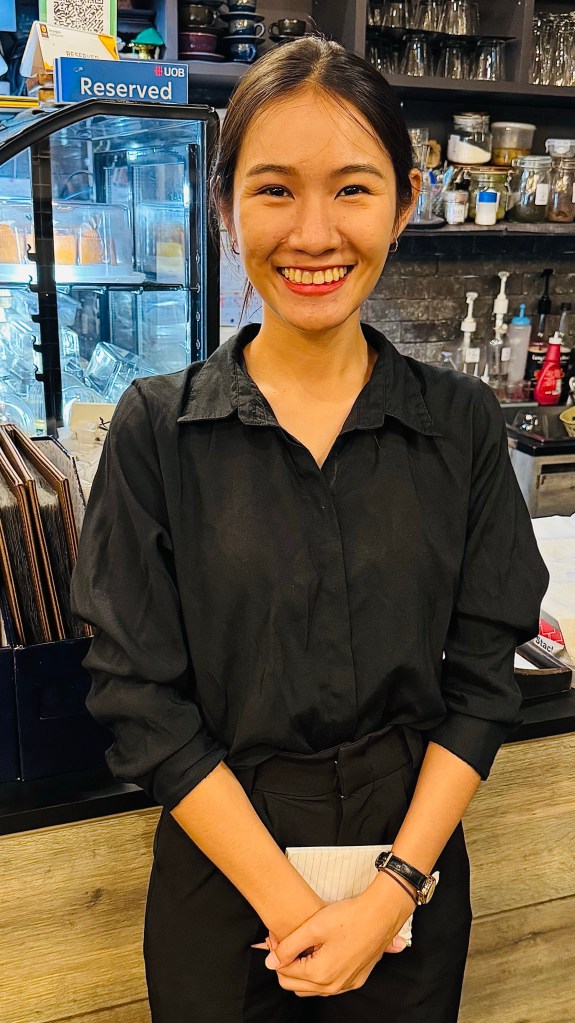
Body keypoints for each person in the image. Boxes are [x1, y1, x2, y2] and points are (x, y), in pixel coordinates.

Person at [70, 35, 549, 1023]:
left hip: (407, 877)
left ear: (404, 204)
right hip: (223, 884)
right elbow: (139, 698)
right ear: (224, 206)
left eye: (352, 189)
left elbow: (483, 683)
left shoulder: (459, 423)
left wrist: (387, 897)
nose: (314, 233)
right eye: (275, 189)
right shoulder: (157, 429)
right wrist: (298, 911)